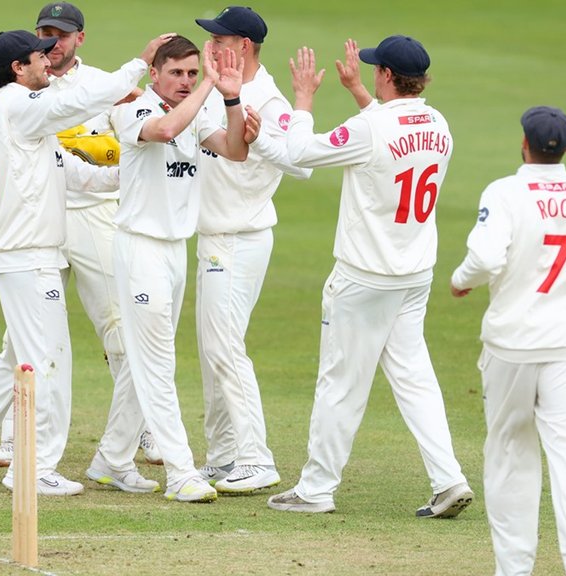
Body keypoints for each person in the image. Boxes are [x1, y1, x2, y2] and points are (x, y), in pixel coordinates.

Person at [0, 30, 172, 497]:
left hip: (28, 254)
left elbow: (78, 175)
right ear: (18, 68)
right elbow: (74, 106)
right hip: (26, 255)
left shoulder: (25, 119)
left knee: (25, 356)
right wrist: (138, 65)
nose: (48, 62)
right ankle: (34, 466)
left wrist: (139, 173)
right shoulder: (18, 106)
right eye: (38, 57)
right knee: (48, 362)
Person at [266, 36, 473, 516]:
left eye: (374, 69)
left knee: (340, 382)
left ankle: (316, 489)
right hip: (414, 274)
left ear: (385, 76)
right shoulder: (438, 123)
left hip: (365, 277)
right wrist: (361, 94)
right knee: (415, 379)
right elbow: (390, 138)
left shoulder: (372, 126)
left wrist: (303, 98)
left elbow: (300, 152)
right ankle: (449, 479)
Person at [450, 106, 566, 576]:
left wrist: (461, 279)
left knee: (510, 451)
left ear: (524, 144)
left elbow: (485, 258)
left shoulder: (505, 191)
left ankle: (514, 568)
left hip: (511, 345)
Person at [110, 35, 255, 503]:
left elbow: (234, 151)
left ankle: (111, 458)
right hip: (140, 249)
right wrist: (209, 87)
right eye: (176, 73)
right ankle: (180, 471)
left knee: (143, 360)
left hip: (175, 250)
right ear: (154, 73)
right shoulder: (132, 109)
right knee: (157, 363)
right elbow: (166, 130)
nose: (186, 81)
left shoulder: (200, 106)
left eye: (193, 73)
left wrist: (232, 101)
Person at [192, 6, 311, 493]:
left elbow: (299, 163)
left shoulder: (269, 100)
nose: (212, 45)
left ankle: (256, 459)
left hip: (239, 238)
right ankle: (222, 457)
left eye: (220, 39)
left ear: (243, 45)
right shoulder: (217, 85)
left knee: (224, 347)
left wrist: (264, 138)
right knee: (212, 350)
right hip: (214, 235)